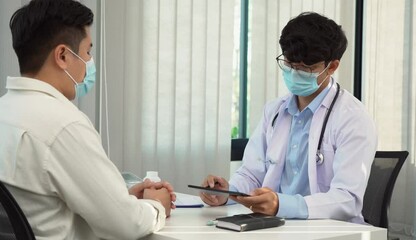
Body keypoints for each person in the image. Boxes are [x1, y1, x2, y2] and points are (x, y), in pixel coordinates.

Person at [0, 0, 176, 239]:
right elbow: (126, 225)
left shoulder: (6, 112)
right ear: (62, 55)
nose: (89, 62)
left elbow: (44, 201)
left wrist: (121, 197)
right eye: (87, 52)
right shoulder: (63, 125)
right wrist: (156, 206)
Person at [200, 12, 377, 224]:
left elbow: (347, 199)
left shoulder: (353, 119)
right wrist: (227, 191)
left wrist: (281, 204)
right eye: (290, 64)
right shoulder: (274, 111)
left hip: (332, 230)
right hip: (277, 226)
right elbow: (252, 174)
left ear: (332, 67)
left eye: (305, 68)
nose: (294, 73)